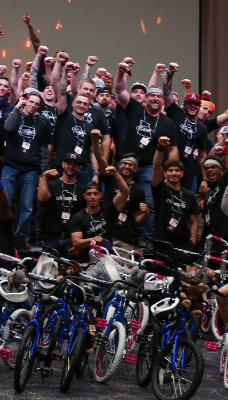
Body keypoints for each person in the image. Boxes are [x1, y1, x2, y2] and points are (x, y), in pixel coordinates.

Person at [114, 60, 177, 246]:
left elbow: (173, 149)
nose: (156, 99)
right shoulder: (135, 108)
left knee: (148, 204)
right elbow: (119, 90)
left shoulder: (167, 123)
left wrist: (170, 170)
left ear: (163, 100)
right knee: (120, 200)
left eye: (159, 97)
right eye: (152, 96)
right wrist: (120, 71)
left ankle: (146, 241)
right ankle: (119, 236)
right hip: (128, 163)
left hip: (149, 167)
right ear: (146, 98)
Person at [1, 92, 53, 246]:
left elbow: (44, 151)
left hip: (30, 170)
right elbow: (7, 127)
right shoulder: (15, 115)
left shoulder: (42, 123)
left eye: (37, 104)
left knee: (27, 206)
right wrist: (17, 107)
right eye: (31, 102)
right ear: (25, 101)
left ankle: (22, 239)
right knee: (5, 201)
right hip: (10, 166)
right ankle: (1, 234)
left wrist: (42, 174)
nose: (33, 106)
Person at [68, 166, 129, 259]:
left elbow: (125, 192)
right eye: (89, 194)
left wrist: (116, 174)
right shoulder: (78, 217)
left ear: (100, 195)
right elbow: (76, 243)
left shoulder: (108, 210)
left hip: (107, 259)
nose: (92, 197)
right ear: (85, 196)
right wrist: (92, 240)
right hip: (86, 260)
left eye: (95, 193)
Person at [151, 136, 197, 251]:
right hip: (162, 242)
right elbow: (156, 167)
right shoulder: (160, 189)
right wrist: (160, 148)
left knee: (187, 269)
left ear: (182, 174)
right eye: (170, 171)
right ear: (165, 174)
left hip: (183, 244)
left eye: (177, 171)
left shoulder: (189, 196)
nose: (174, 173)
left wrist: (193, 241)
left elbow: (194, 221)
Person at [38, 153, 87, 253]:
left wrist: (79, 242)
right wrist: (45, 176)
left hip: (71, 240)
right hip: (51, 238)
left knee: (70, 269)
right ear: (63, 164)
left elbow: (84, 218)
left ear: (79, 168)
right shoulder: (52, 185)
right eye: (68, 163)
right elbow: (42, 198)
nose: (71, 167)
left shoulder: (83, 190)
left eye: (74, 165)